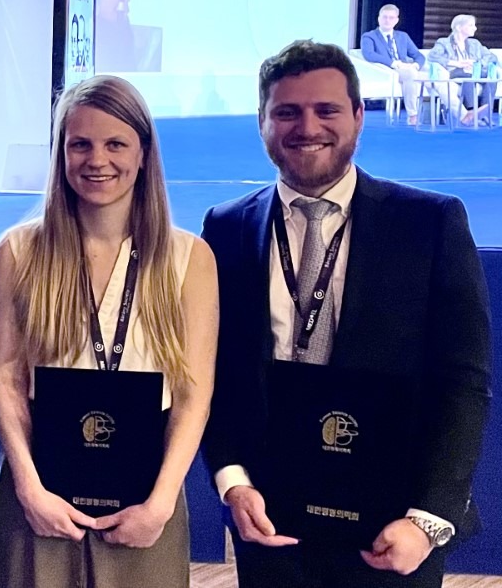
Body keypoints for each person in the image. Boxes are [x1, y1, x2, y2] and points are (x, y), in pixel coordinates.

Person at [201, 39, 491, 588]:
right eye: (286, 112)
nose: (307, 126)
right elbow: (214, 374)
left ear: (359, 117)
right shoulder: (226, 227)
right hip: (268, 516)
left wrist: (429, 520)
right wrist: (233, 482)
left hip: (391, 524)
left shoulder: (428, 224)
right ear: (261, 122)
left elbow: (464, 383)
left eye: (326, 110)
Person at [0, 75, 218, 588]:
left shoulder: (188, 258)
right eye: (80, 144)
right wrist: (28, 486)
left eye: (115, 144)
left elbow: (193, 393)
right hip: (40, 498)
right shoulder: (19, 251)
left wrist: (160, 503)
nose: (97, 160)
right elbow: (4, 376)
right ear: (61, 153)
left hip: (143, 500)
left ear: (142, 153)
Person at [359, 4, 426, 125]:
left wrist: (416, 65)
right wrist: (394, 63)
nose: (387, 20)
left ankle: (460, 113)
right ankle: (413, 115)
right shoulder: (369, 36)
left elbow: (418, 55)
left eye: (391, 18)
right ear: (378, 19)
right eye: (384, 17)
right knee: (410, 73)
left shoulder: (403, 36)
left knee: (434, 75)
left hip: (406, 68)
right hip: (386, 70)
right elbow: (369, 54)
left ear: (396, 20)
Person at [427, 14, 498, 126]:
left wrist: (476, 63)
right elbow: (432, 56)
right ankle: (472, 111)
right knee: (467, 77)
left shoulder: (475, 43)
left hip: (473, 71)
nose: (475, 28)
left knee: (492, 80)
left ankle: (485, 116)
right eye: (471, 25)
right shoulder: (444, 42)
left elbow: (492, 57)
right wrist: (457, 63)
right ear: (459, 27)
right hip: (455, 71)